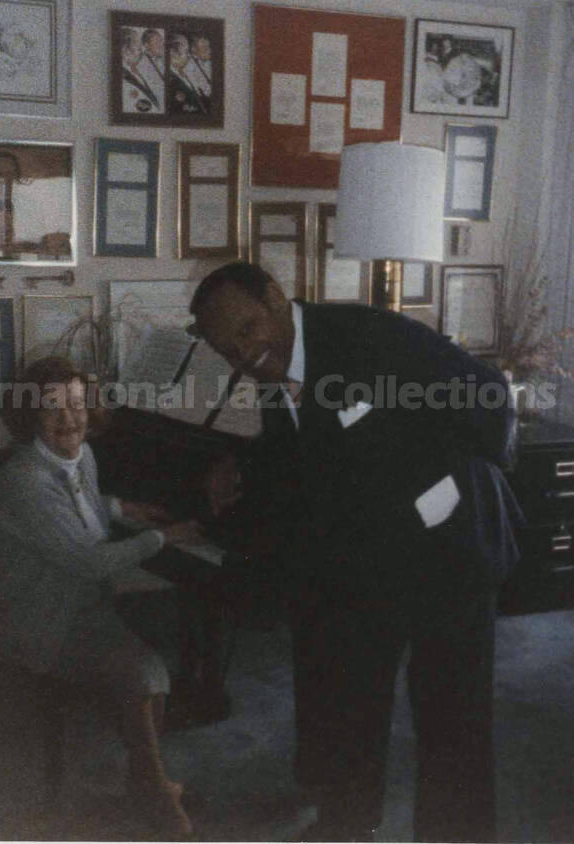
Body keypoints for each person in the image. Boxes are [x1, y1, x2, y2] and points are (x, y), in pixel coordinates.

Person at [189, 262, 523, 843]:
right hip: (371, 556)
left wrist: (450, 483)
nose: (241, 353)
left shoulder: (371, 336)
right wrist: (240, 467)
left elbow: (490, 398)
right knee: (348, 694)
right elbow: (308, 448)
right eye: (226, 348)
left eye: (246, 330)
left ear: (274, 296)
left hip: (452, 547)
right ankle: (348, 824)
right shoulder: (272, 373)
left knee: (450, 714)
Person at [0, 357, 195, 837]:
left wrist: (120, 507)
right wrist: (163, 538)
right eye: (52, 408)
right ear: (30, 416)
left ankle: (143, 780)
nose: (69, 419)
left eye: (76, 404)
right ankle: (155, 790)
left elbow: (81, 506)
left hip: (79, 606)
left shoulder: (82, 456)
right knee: (138, 673)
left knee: (151, 671)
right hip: (30, 617)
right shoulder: (23, 481)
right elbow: (90, 561)